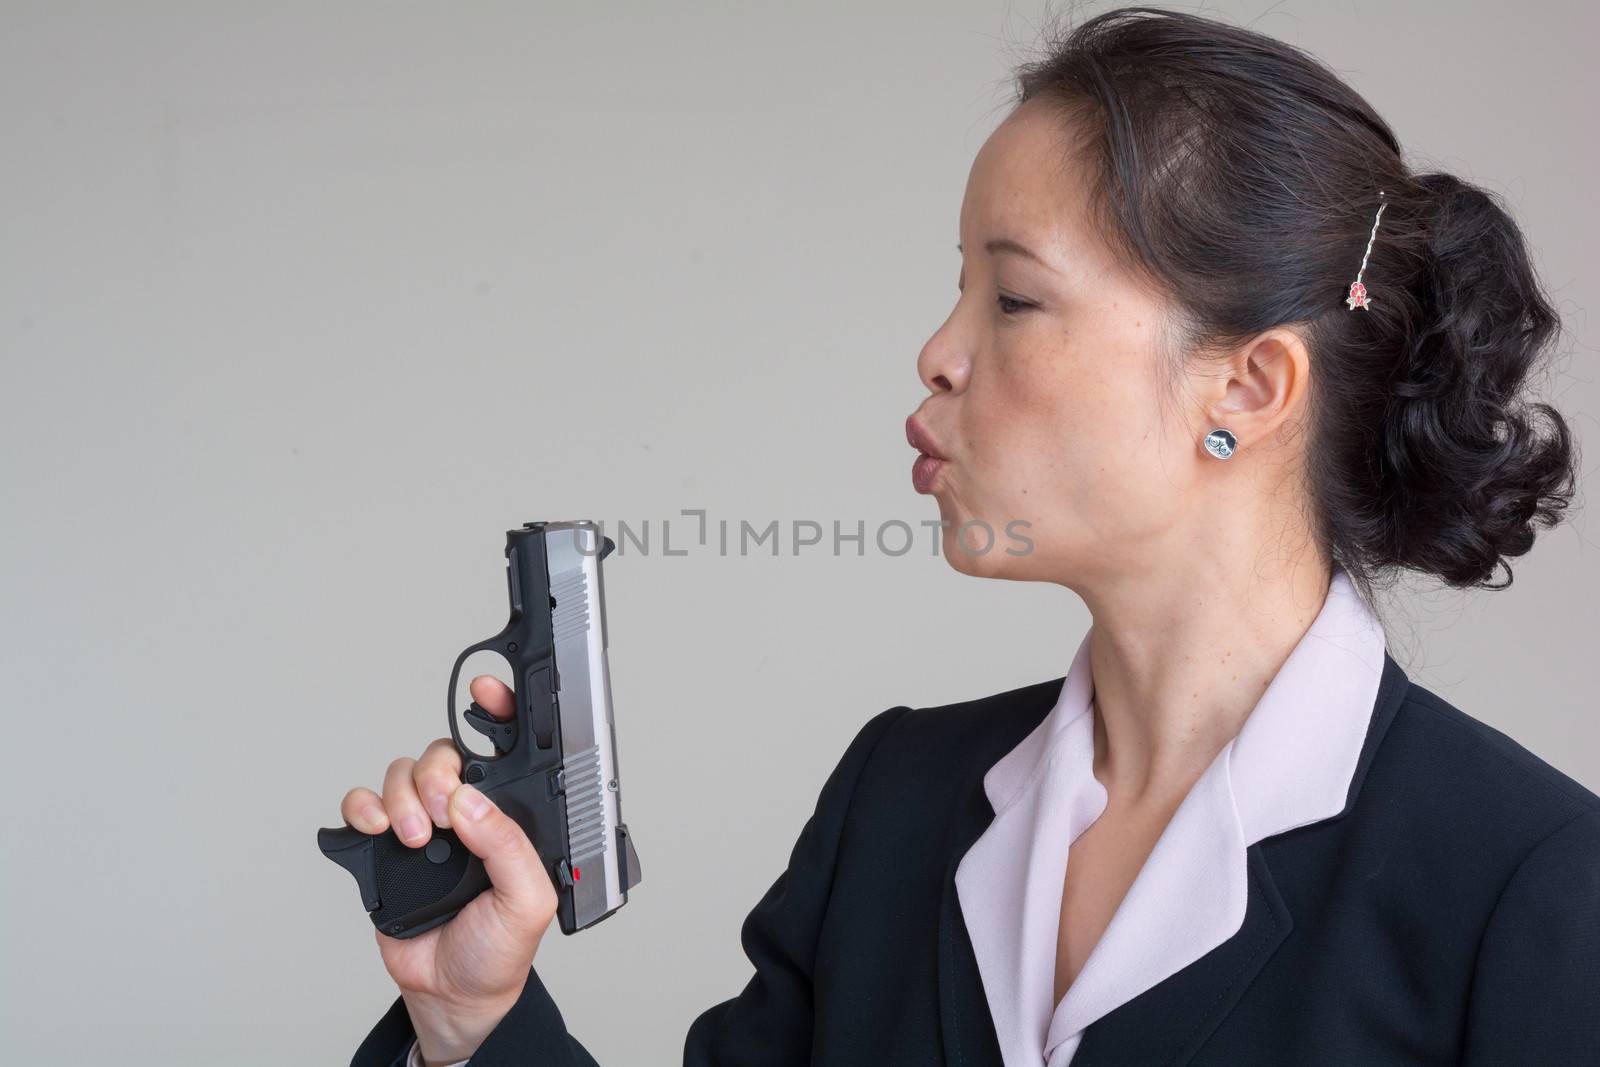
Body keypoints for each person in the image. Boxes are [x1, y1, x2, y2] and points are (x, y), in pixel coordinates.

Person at [330, 8, 1596, 1065]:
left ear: (1250, 388)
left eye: (1013, 296)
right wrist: (469, 1017)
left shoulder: (1531, 888)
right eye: (957, 289)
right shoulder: (896, 800)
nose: (938, 352)